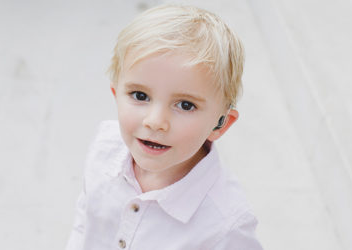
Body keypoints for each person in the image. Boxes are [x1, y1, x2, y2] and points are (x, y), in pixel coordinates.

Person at [66, 4, 263, 250]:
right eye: (140, 95)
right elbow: (85, 221)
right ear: (116, 94)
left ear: (220, 123)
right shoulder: (104, 146)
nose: (155, 121)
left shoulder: (226, 224)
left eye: (185, 105)